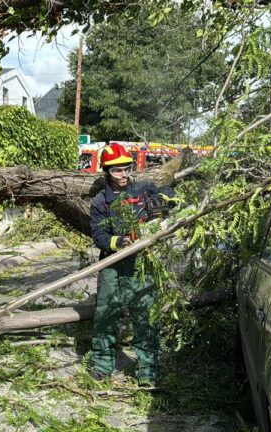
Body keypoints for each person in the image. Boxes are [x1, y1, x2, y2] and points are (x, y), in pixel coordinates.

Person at [88, 142, 174, 386]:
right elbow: (98, 236)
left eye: (126, 169)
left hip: (142, 262)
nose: (123, 174)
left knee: (146, 314)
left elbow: (169, 191)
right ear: (107, 171)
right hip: (113, 263)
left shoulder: (143, 189)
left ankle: (148, 371)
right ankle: (102, 364)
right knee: (106, 313)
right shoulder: (100, 202)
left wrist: (164, 201)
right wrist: (118, 241)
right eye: (117, 171)